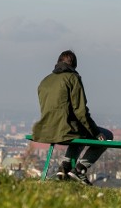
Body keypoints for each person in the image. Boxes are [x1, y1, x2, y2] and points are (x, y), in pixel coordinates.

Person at [32, 50, 113, 185]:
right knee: (107, 135)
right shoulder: (73, 78)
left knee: (79, 133)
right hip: (66, 130)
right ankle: (80, 169)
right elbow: (81, 112)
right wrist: (96, 132)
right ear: (74, 65)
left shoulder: (45, 80)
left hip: (46, 129)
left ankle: (64, 167)